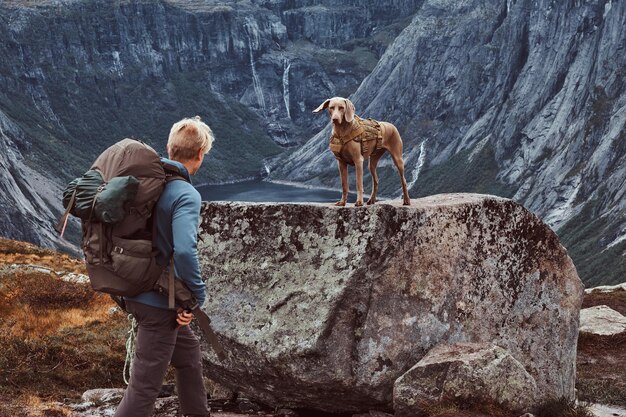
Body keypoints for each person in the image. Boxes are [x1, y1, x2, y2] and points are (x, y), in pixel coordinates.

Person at [114, 116, 214, 417]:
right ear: (200, 154)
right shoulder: (185, 193)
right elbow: (184, 250)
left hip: (131, 287)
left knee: (189, 355)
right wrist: (196, 295)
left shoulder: (144, 183)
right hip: (157, 303)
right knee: (144, 388)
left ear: (169, 149)